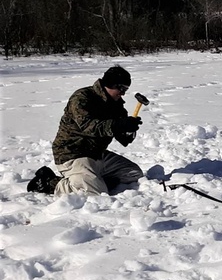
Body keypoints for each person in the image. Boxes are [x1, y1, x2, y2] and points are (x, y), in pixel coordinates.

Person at [27, 66, 144, 195]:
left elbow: (122, 137)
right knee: (97, 193)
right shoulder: (82, 98)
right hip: (72, 153)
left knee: (133, 173)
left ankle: (93, 180)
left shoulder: (117, 106)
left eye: (126, 89)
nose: (123, 93)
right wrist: (117, 125)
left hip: (97, 154)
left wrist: (128, 130)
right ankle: (49, 183)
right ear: (110, 84)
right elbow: (88, 126)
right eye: (121, 88)